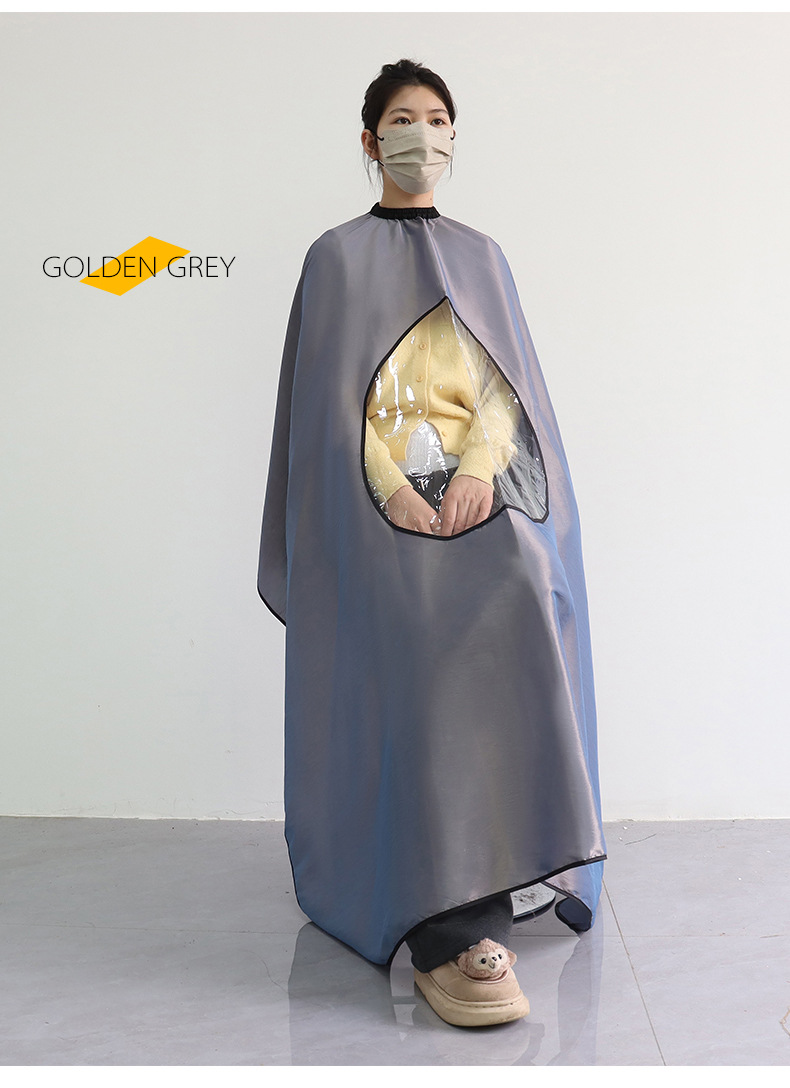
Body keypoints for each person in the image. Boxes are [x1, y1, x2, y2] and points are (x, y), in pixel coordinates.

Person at [257, 59, 606, 1029]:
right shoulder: (333, 258)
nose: (424, 134)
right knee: (415, 617)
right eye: (404, 119)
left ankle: (512, 851)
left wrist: (480, 473)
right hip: (378, 506)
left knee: (524, 579)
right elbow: (329, 410)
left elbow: (502, 394)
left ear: (454, 138)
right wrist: (392, 493)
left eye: (439, 118)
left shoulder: (483, 257)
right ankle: (453, 922)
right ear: (371, 142)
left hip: (477, 491)